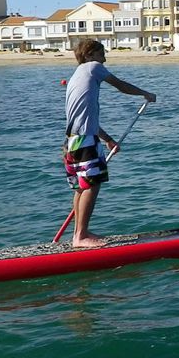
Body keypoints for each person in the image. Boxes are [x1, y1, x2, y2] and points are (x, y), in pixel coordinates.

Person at [64, 39, 156, 248]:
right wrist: (145, 93)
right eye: (101, 53)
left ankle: (79, 232)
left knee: (81, 188)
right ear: (89, 55)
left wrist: (107, 139)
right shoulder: (92, 67)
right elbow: (120, 85)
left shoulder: (76, 77)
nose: (104, 59)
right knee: (92, 186)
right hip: (84, 141)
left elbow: (86, 120)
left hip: (72, 141)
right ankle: (80, 236)